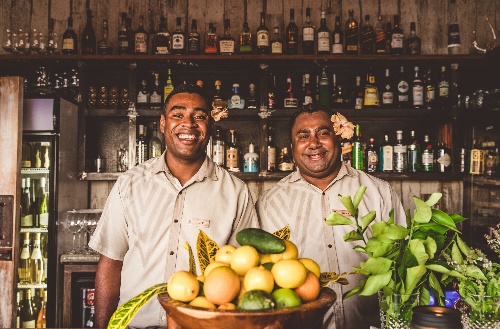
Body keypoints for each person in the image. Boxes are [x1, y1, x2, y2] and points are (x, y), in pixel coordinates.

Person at [89, 84, 259, 328]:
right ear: (162, 123)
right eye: (177, 115)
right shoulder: (130, 184)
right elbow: (111, 262)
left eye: (199, 116)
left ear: (211, 125)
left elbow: (242, 273)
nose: (188, 124)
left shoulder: (235, 192)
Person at [256, 103, 406, 329]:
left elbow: (403, 262)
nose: (314, 143)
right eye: (303, 136)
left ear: (339, 140)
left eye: (323, 133)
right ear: (292, 146)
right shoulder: (271, 203)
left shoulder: (379, 192)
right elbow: (262, 275)